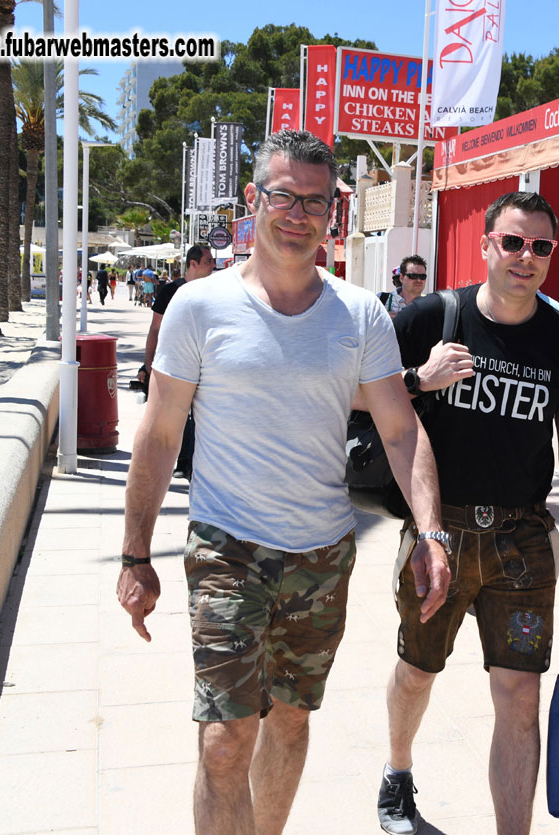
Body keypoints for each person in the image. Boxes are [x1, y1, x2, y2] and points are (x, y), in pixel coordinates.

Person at [116, 129, 450, 835]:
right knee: (224, 738)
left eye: (314, 202)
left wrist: (431, 532)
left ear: (333, 211)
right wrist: (135, 554)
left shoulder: (360, 314)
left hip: (321, 557)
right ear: (252, 199)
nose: (298, 215)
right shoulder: (199, 306)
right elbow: (159, 435)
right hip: (226, 549)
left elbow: (400, 429)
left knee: (291, 722)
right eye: (283, 197)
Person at [378, 191, 559, 835]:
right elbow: (355, 395)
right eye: (512, 241)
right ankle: (398, 769)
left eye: (540, 246)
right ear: (485, 245)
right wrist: (419, 379)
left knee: (521, 695)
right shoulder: (431, 317)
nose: (525, 256)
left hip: (521, 541)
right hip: (439, 532)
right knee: (418, 670)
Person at [135, 247, 215, 477]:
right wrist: (148, 364)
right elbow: (155, 329)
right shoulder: (170, 291)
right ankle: (181, 462)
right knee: (175, 416)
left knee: (201, 416)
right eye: (208, 261)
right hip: (175, 363)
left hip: (206, 364)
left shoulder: (216, 292)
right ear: (193, 264)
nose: (213, 265)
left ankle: (192, 466)